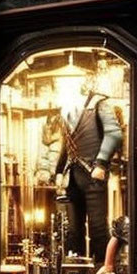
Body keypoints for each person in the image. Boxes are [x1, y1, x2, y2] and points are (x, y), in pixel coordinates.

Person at [52, 81, 122, 263]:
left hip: (93, 176)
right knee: (74, 232)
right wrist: (59, 170)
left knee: (98, 229)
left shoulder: (99, 104)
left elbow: (114, 134)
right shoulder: (67, 111)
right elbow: (67, 144)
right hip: (73, 178)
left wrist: (101, 163)